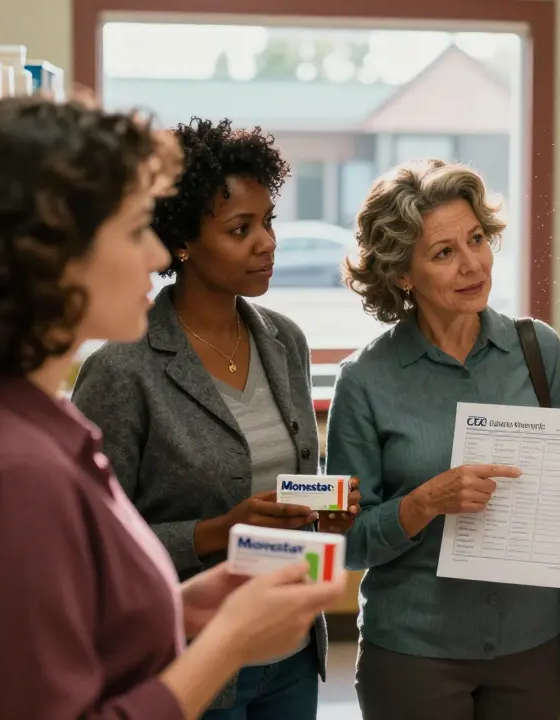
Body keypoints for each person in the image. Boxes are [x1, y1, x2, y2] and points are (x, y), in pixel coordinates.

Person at [0, 98, 343, 719]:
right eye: (132, 230)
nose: (155, 256)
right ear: (49, 255)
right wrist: (229, 642)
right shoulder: (8, 475)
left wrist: (181, 608)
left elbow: (51, 636)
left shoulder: (7, 418)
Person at [72, 118, 357, 720]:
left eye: (269, 221)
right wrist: (215, 530)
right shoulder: (124, 368)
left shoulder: (285, 341)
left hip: (291, 643)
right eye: (240, 228)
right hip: (189, 655)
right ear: (182, 243)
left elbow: (292, 479)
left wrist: (325, 504)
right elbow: (92, 549)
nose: (268, 242)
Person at [325, 158, 560, 720]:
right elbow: (348, 539)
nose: (472, 264)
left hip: (532, 642)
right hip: (413, 652)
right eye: (444, 253)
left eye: (476, 239)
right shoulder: (365, 379)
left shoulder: (538, 350)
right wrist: (427, 501)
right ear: (403, 274)